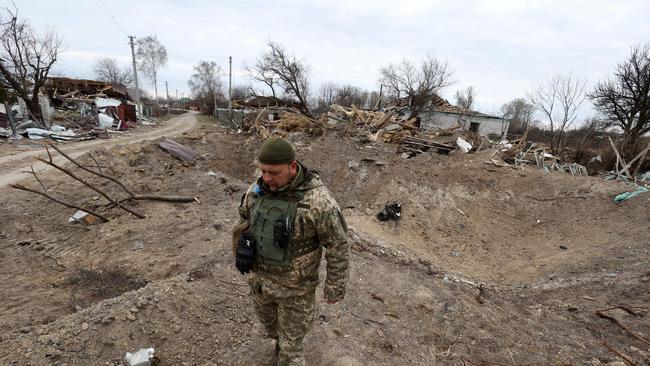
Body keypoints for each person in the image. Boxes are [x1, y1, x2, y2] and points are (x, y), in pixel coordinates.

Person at [233, 137, 349, 366]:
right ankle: (281, 342)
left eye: (273, 172)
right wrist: (243, 244)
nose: (266, 178)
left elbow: (337, 245)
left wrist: (335, 288)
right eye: (263, 171)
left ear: (292, 166)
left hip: (296, 291)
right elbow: (244, 219)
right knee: (272, 329)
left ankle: (288, 351)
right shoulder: (256, 192)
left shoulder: (319, 201)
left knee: (291, 351)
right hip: (261, 284)